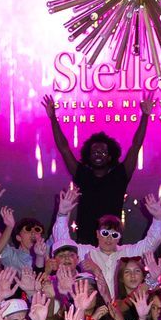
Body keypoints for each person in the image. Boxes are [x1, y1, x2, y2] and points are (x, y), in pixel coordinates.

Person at [42, 93, 151, 225]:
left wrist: (145, 116)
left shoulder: (120, 175)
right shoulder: (82, 175)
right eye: (94, 152)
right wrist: (53, 118)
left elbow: (136, 146)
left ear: (110, 157)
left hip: (111, 236)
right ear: (88, 156)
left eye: (102, 152)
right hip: (85, 237)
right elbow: (64, 149)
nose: (98, 154)